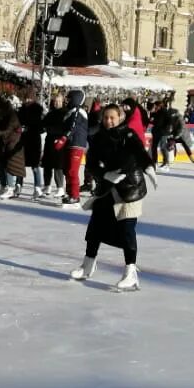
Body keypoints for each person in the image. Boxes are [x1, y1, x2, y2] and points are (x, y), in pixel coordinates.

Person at [69, 103, 157, 291]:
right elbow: (91, 163)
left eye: (112, 118)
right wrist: (104, 175)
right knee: (95, 228)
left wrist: (149, 167)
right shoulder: (97, 137)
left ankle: (130, 273)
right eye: (106, 117)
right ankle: (88, 264)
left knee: (126, 231)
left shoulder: (128, 135)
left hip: (129, 190)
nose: (108, 121)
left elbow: (140, 153)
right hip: (107, 188)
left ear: (120, 118)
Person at [56, 89, 90, 204]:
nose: (67, 100)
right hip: (71, 144)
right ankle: (70, 193)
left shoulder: (77, 111)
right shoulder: (71, 111)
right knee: (67, 170)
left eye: (69, 98)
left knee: (72, 171)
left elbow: (73, 126)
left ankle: (75, 196)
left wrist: (63, 138)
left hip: (76, 144)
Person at [0, 96, 22, 199]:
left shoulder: (12, 115)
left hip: (12, 143)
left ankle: (10, 188)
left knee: (9, 166)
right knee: (0, 166)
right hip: (1, 143)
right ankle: (3, 186)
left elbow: (8, 129)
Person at [18, 90, 45, 197]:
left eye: (29, 98)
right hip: (22, 141)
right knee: (20, 165)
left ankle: (38, 187)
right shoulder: (21, 110)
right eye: (26, 98)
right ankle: (18, 185)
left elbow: (40, 126)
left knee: (35, 165)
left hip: (34, 141)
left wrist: (29, 127)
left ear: (34, 99)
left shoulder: (37, 110)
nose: (27, 100)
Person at [41, 93, 67, 198]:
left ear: (62, 102)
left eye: (58, 101)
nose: (56, 103)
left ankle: (60, 188)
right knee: (47, 165)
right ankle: (47, 186)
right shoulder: (50, 113)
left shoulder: (65, 113)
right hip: (49, 141)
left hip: (59, 142)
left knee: (58, 166)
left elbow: (64, 128)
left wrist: (50, 129)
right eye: (55, 101)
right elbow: (43, 124)